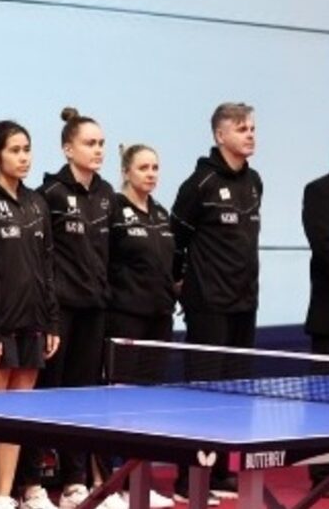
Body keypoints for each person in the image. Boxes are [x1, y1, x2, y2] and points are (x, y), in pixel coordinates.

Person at [0, 121, 59, 509]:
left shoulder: (36, 203)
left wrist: (51, 320)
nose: (24, 157)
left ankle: (4, 494)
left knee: (15, 416)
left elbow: (47, 266)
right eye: (15, 150)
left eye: (27, 149)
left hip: (33, 322)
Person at [170, 102, 261, 502]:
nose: (250, 134)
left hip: (245, 301)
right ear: (220, 135)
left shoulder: (255, 181)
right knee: (203, 396)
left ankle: (222, 471)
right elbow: (176, 239)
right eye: (242, 129)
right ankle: (188, 481)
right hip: (208, 303)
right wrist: (179, 282)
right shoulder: (199, 184)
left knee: (235, 393)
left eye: (253, 128)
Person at [33, 107, 120, 509]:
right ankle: (32, 482)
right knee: (48, 396)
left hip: (94, 310)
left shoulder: (106, 196)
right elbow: (43, 257)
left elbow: (111, 254)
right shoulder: (50, 194)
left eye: (101, 143)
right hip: (59, 312)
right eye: (90, 143)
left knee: (83, 399)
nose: (98, 149)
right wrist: (49, 312)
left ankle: (74, 482)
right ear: (68, 148)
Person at [105, 144, 175, 509]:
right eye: (144, 167)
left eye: (155, 167)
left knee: (148, 404)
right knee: (120, 403)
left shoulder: (161, 215)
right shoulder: (115, 211)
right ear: (126, 172)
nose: (151, 173)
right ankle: (108, 483)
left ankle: (139, 483)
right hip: (125, 317)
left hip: (159, 319)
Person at [304, 168, 329, 489]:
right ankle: (323, 474)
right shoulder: (318, 192)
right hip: (328, 320)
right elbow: (324, 249)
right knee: (323, 402)